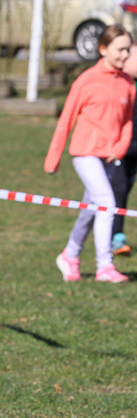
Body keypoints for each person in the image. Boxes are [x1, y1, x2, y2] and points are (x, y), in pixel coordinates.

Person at [45, 24, 134, 284]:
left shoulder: (128, 83)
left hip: (110, 156)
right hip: (85, 152)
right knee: (106, 201)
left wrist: (120, 147)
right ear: (103, 49)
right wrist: (53, 158)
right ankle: (104, 265)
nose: (124, 56)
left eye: (128, 50)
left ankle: (70, 255)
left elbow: (128, 122)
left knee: (92, 209)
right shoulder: (86, 80)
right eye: (120, 50)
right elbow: (67, 119)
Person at [109, 45, 137, 257]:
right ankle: (115, 236)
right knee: (118, 190)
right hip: (120, 150)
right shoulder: (119, 85)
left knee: (125, 188)